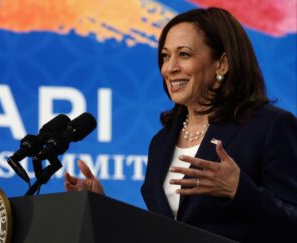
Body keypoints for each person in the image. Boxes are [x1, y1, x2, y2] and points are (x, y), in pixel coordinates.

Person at [64, 7, 297, 243]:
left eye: (184, 54)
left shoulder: (269, 126)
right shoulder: (162, 142)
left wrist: (239, 189)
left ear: (222, 64)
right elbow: (160, 230)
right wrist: (102, 207)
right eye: (165, 56)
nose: (169, 68)